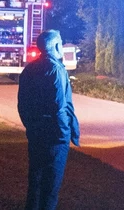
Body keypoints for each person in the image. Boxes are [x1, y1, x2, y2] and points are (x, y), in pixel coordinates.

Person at [18, 30, 80, 210]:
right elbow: (59, 106)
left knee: (35, 182)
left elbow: (22, 104)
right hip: (54, 136)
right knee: (51, 186)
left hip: (36, 133)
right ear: (55, 46)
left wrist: (31, 126)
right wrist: (64, 133)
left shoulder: (29, 69)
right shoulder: (56, 70)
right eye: (60, 43)